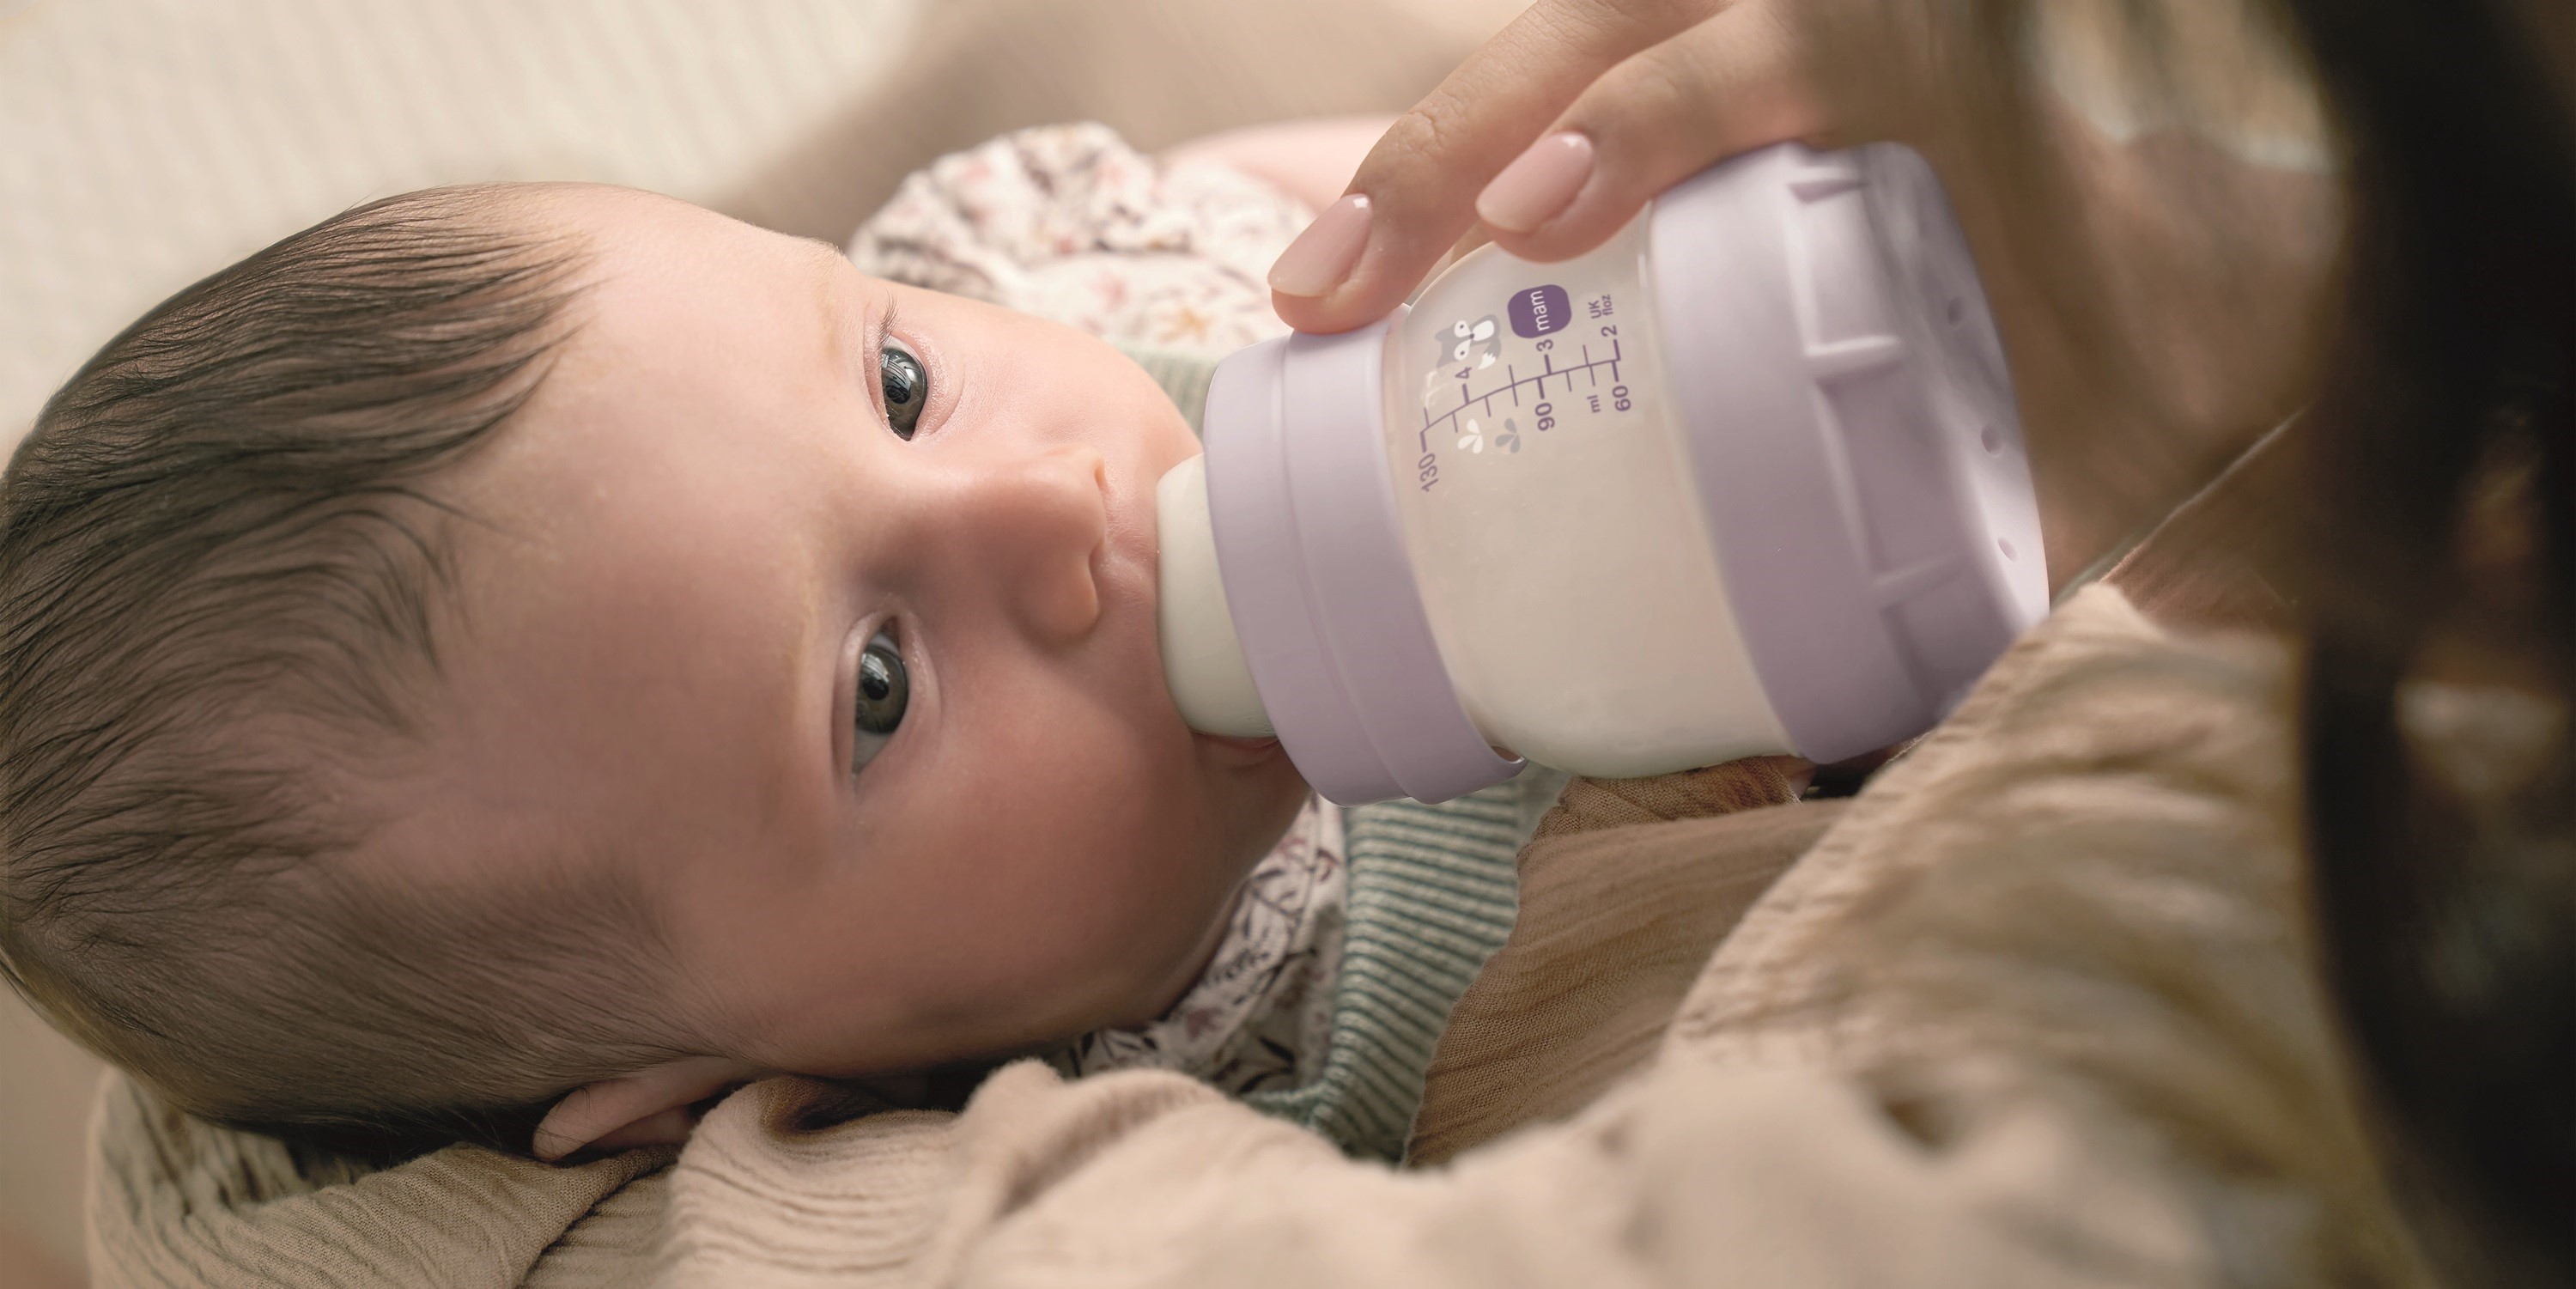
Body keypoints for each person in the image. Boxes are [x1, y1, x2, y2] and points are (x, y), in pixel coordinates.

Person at [0, 124, 1577, 1166]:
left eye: (900, 388)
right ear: (706, 1102)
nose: (1049, 506)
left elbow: (1424, 165)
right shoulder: (1228, 1145)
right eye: (877, 692)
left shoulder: (1036, 263)